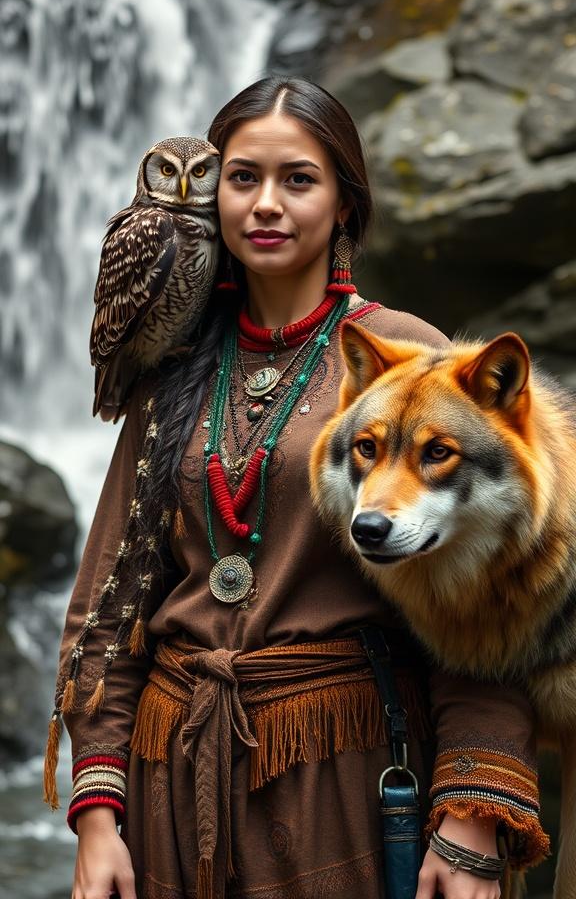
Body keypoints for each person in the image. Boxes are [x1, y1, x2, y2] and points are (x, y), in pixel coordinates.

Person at [45, 77, 549, 899]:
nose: (265, 205)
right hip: (170, 784)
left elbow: (486, 608)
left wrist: (469, 819)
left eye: (299, 180)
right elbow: (110, 592)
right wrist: (98, 810)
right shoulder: (170, 367)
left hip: (343, 781)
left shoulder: (407, 362)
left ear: (346, 205)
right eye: (243, 178)